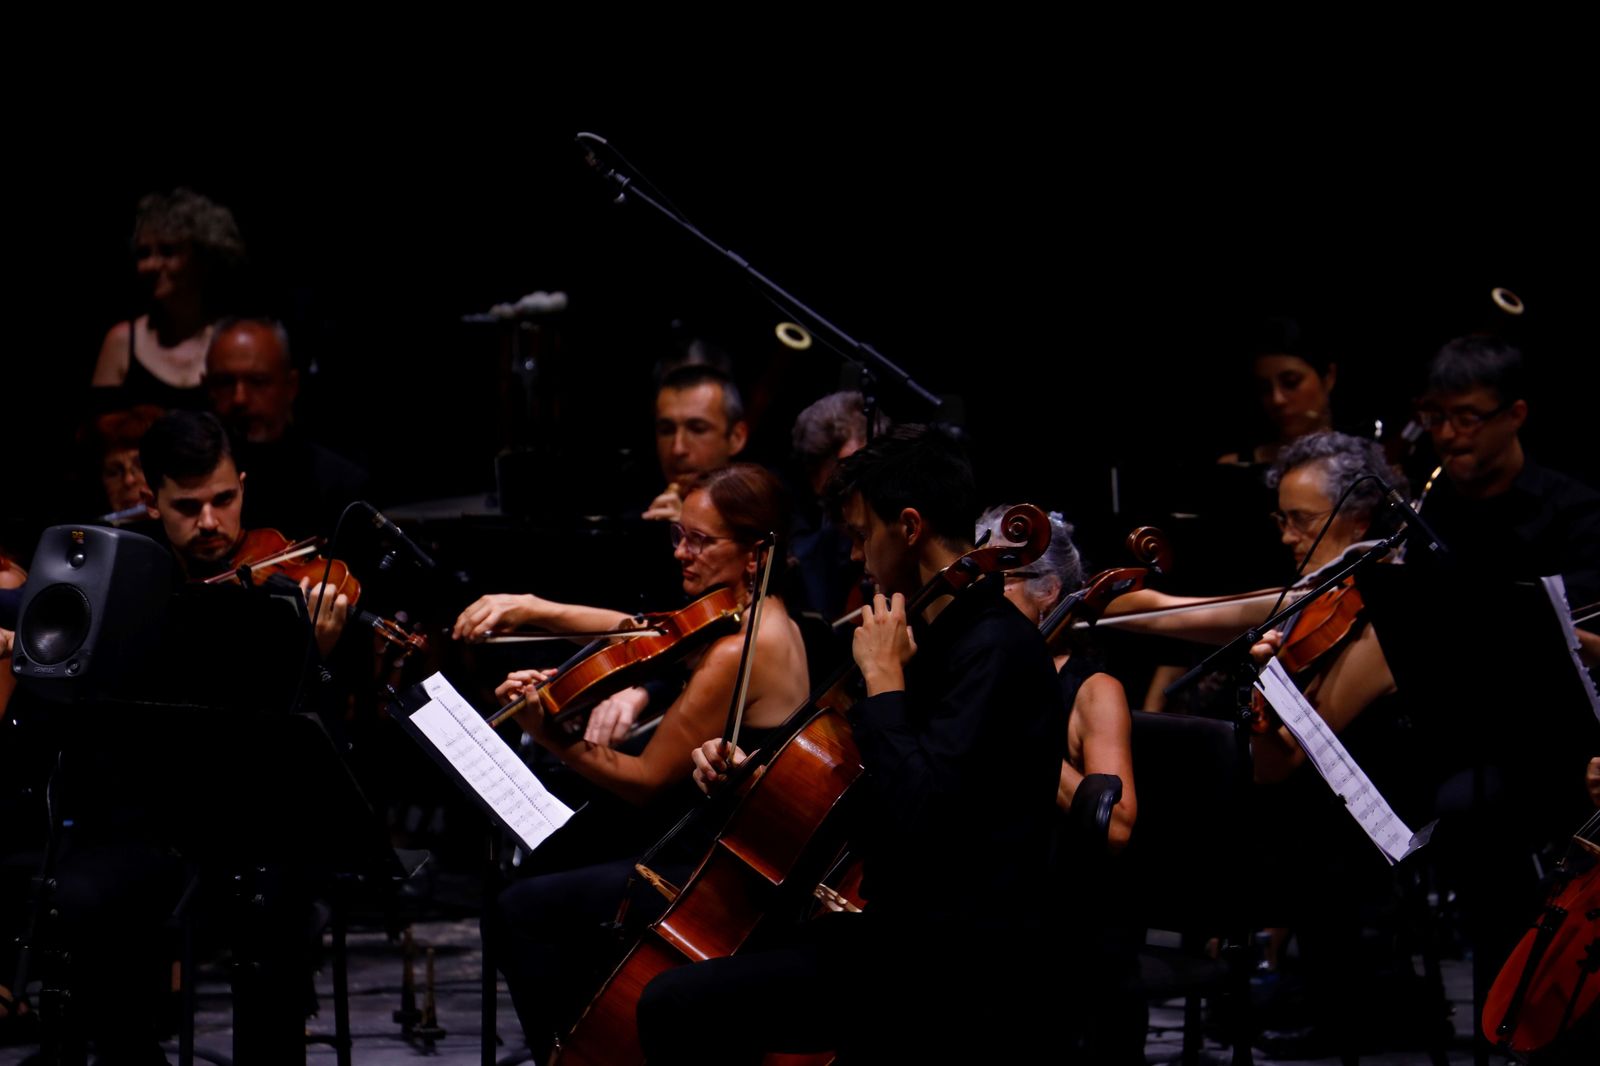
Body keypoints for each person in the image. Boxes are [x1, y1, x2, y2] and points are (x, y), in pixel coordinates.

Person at [638, 424, 1065, 1062]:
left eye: (863, 535)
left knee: (673, 1005)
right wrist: (747, 777)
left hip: (957, 958)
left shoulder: (996, 650)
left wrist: (887, 685)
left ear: (911, 526)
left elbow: (927, 818)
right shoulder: (918, 629)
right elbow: (843, 784)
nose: (856, 557)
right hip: (896, 930)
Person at [461, 464, 809, 1058]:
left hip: (704, 877)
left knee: (521, 910)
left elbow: (646, 781)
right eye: (680, 536)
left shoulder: (739, 651)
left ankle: (575, 1053)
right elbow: (646, 632)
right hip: (698, 853)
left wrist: (546, 732)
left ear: (755, 554)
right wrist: (532, 607)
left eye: (701, 541)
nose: (682, 553)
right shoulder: (756, 617)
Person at [1408, 334, 1600, 606]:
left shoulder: (1579, 517)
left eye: (1467, 418)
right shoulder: (1429, 504)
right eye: (1437, 418)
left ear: (1515, 415)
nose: (1446, 434)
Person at [139, 410, 348, 658]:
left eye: (224, 499)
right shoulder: (137, 586)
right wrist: (305, 656)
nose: (208, 523)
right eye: (188, 506)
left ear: (241, 487)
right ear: (152, 503)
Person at [204, 317, 369, 539]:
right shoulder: (191, 481)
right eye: (225, 382)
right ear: (207, 386)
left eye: (258, 381)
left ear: (291, 385)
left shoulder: (340, 485)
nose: (239, 399)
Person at [91, 188, 246, 411]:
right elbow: (99, 436)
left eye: (167, 251)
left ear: (203, 257)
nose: (151, 265)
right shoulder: (122, 342)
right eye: (144, 254)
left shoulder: (232, 340)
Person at [642, 365, 749, 523]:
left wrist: (691, 534)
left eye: (697, 429)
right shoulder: (637, 510)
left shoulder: (766, 512)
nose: (678, 449)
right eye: (666, 430)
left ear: (736, 437)